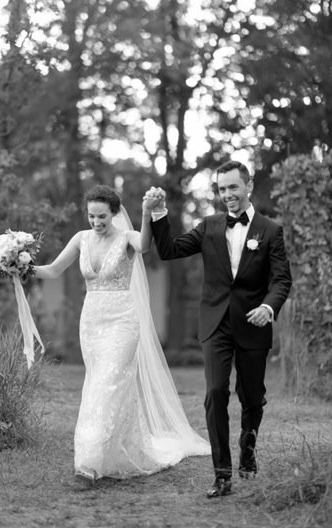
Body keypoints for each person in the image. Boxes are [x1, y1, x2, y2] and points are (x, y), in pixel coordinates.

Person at [33, 185, 210, 482]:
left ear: (114, 213)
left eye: (102, 216)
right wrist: (21, 267)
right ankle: (117, 449)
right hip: (92, 321)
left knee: (108, 383)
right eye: (91, 216)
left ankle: (90, 462)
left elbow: (144, 246)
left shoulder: (127, 238)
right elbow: (52, 270)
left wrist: (145, 212)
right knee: (96, 385)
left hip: (122, 321)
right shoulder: (81, 239)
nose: (96, 222)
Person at [148, 160, 292, 498]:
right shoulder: (209, 226)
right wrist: (158, 214)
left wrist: (268, 307)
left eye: (233, 187)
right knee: (214, 393)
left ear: (248, 186)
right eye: (222, 188)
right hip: (215, 323)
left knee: (252, 398)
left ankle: (248, 449)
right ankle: (223, 475)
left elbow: (282, 279)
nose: (227, 194)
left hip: (253, 324)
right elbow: (169, 250)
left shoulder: (270, 231)